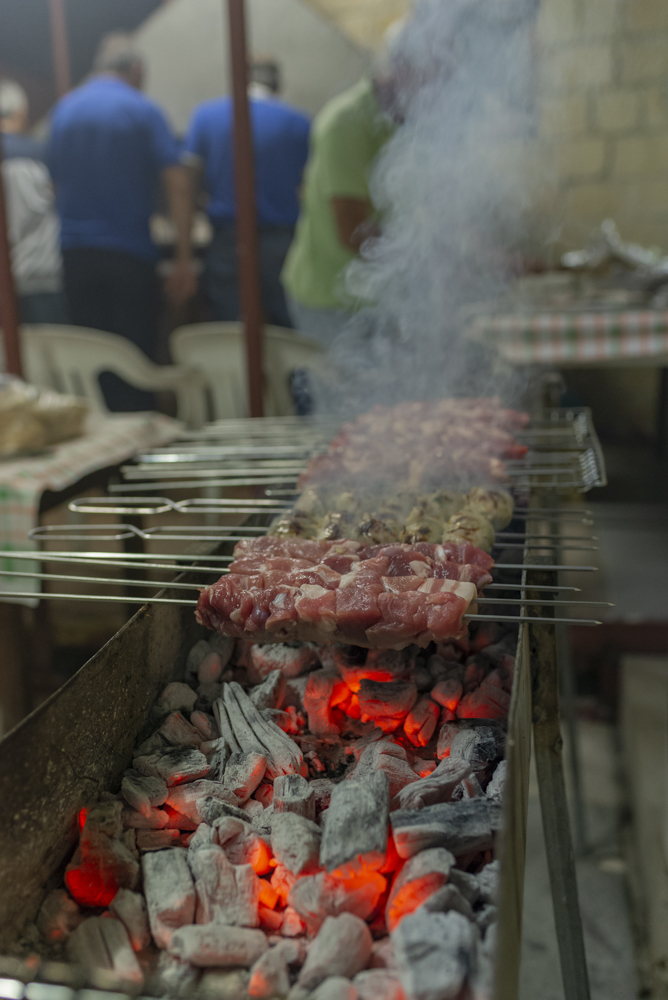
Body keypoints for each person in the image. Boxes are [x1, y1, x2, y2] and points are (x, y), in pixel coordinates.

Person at [47, 34, 196, 409]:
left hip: (75, 253)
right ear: (136, 70)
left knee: (91, 361)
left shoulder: (65, 110)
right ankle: (137, 453)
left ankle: (102, 458)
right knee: (135, 361)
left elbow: (52, 183)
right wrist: (183, 257)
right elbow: (177, 182)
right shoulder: (142, 109)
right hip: (129, 254)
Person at [183, 59, 310, 328]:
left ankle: (233, 372)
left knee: (230, 329)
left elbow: (188, 180)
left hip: (229, 238)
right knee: (288, 327)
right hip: (283, 242)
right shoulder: (299, 122)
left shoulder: (206, 117)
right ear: (278, 85)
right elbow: (310, 189)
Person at [280, 69, 396, 347]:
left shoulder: (401, 118)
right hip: (332, 301)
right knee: (352, 389)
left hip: (379, 298)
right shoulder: (347, 121)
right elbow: (353, 231)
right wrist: (433, 263)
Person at [0, 80, 67, 324]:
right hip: (41, 275)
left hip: (4, 279)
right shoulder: (42, 154)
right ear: (22, 112)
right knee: (51, 355)